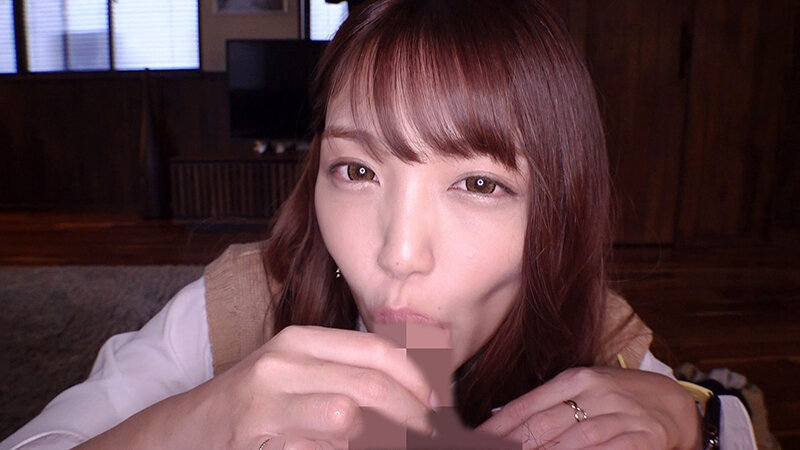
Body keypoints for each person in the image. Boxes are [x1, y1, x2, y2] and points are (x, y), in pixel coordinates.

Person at [1, 1, 756, 449]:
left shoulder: (592, 328)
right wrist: (198, 420)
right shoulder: (243, 301)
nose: (399, 252)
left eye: (478, 183)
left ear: (556, 211)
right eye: (358, 171)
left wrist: (701, 423)